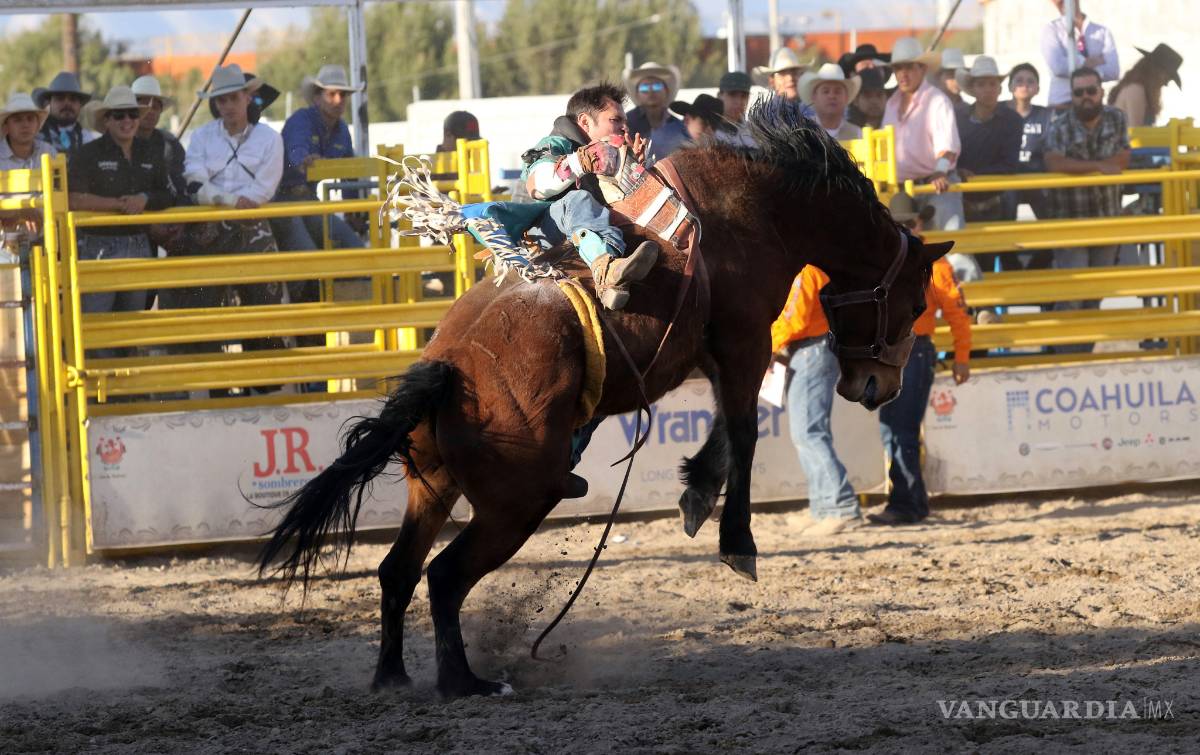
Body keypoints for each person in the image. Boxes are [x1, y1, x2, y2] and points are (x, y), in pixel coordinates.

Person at [466, 82, 658, 311]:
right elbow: (537, 185)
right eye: (616, 120)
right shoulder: (555, 143)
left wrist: (636, 170)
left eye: (625, 123)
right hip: (541, 235)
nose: (624, 129)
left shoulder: (610, 154)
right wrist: (580, 162)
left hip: (582, 228)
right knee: (577, 200)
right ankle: (605, 270)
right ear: (585, 121)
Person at [870, 192, 972, 526]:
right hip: (902, 352)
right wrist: (960, 356)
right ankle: (910, 500)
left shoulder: (929, 264)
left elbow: (958, 312)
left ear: (918, 224)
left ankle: (907, 502)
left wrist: (962, 356)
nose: (904, 229)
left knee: (899, 428)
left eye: (907, 223)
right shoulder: (927, 262)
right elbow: (957, 312)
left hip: (909, 352)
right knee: (897, 427)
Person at [178, 64, 285, 359]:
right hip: (217, 222)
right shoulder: (201, 137)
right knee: (206, 299)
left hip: (248, 222)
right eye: (222, 100)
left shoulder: (270, 138)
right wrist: (233, 202)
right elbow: (193, 183)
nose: (227, 106)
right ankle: (213, 375)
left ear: (247, 98)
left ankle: (264, 372)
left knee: (264, 297)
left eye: (233, 98)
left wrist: (226, 201)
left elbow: (266, 187)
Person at [770, 266, 863, 536]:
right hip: (814, 347)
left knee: (808, 432)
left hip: (811, 348)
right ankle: (824, 507)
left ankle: (840, 507)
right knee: (809, 432)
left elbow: (795, 318)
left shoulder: (805, 272)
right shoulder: (812, 270)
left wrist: (771, 346)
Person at [1043, 67, 1130, 351]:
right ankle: (1061, 355)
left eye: (1090, 90)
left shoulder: (1117, 118)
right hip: (1071, 220)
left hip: (1107, 219)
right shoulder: (1059, 124)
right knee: (1073, 293)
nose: (1085, 97)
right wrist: (1098, 167)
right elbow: (1053, 162)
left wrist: (1091, 168)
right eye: (1079, 92)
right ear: (1072, 95)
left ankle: (1082, 357)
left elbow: (1124, 156)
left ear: (1101, 91)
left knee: (1096, 293)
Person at [67, 86, 171, 324]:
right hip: (98, 245)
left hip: (138, 242)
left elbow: (167, 194)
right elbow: (73, 198)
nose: (127, 120)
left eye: (133, 114)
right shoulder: (88, 154)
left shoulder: (151, 152)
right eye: (119, 115)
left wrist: (144, 198)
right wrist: (119, 204)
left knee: (131, 322)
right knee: (96, 321)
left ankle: (128, 362)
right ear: (107, 120)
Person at [273, 64, 365, 254]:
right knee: (309, 254)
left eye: (343, 95)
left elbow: (350, 172)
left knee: (356, 249)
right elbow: (296, 148)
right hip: (279, 201)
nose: (338, 100)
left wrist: (352, 211)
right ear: (317, 97)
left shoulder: (342, 131)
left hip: (309, 200)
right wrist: (302, 159)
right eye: (332, 94)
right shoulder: (302, 120)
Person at [883, 38, 963, 233]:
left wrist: (940, 171)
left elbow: (948, 147)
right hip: (903, 192)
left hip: (935, 188)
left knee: (952, 247)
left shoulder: (937, 100)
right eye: (898, 68)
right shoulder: (892, 103)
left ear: (922, 69)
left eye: (908, 67)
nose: (902, 73)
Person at [954, 56, 1022, 273]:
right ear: (972, 89)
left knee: (985, 264)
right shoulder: (957, 117)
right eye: (982, 84)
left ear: (1000, 88)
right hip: (960, 201)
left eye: (992, 83)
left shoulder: (1012, 120)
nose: (988, 89)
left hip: (993, 202)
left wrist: (970, 173)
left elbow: (1009, 164)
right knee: (962, 264)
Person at [1003, 63, 1055, 229]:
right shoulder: (998, 112)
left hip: (1035, 177)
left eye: (1030, 81)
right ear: (1010, 86)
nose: (1024, 85)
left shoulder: (1046, 115)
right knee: (1006, 203)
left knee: (1050, 218)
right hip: (1005, 177)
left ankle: (1046, 251)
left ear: (1038, 89)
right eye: (1019, 81)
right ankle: (1006, 253)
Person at [1041, 0, 1118, 109]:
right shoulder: (1052, 30)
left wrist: (1085, 71)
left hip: (1092, 105)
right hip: (1062, 104)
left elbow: (1113, 71)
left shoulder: (1102, 32)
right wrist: (1087, 62)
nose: (1058, 3)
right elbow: (1057, 67)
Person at [131, 75, 188, 201]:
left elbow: (179, 187)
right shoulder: (119, 142)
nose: (150, 112)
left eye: (155, 108)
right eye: (144, 106)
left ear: (160, 112)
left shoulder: (171, 145)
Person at [623, 61, 689, 164]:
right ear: (637, 93)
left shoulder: (678, 127)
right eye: (644, 87)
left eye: (657, 86)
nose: (651, 91)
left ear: (666, 91)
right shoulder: (626, 123)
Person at [1109, 43, 1183, 127]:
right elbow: (1136, 132)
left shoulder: (1137, 89)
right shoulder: (1135, 90)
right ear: (1156, 71)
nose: (1166, 84)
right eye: (1167, 77)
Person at [33, 71, 98, 158]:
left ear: (80, 105)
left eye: (73, 99)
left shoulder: (87, 139)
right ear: (48, 103)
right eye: (60, 98)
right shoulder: (36, 137)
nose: (67, 103)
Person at [801, 64, 862, 141]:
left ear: (846, 97)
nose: (832, 96)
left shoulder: (857, 134)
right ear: (814, 97)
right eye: (826, 91)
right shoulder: (803, 132)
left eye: (837, 91)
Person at [752, 47, 815, 117]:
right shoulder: (764, 115)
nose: (790, 78)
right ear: (772, 81)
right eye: (783, 73)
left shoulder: (812, 111)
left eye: (794, 72)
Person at [0, 93, 55, 171]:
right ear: (6, 127)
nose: (25, 125)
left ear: (37, 125)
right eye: (18, 120)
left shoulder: (48, 152)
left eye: (30, 119)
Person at [669, 94, 733, 145]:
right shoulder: (667, 144)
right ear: (687, 119)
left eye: (714, 127)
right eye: (704, 123)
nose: (709, 131)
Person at [715, 71, 756, 147]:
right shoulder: (705, 131)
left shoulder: (755, 134)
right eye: (732, 94)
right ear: (719, 96)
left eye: (743, 96)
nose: (738, 102)